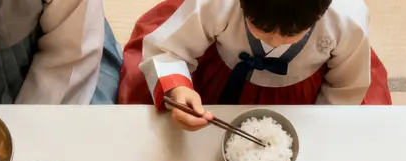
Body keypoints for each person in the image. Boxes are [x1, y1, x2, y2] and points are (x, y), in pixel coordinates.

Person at [118, 0, 391, 121]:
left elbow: (345, 87)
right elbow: (170, 50)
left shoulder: (347, 18)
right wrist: (179, 89)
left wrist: (322, 125)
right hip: (217, 77)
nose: (275, 41)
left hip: (303, 96)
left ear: (321, 13)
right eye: (260, 27)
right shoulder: (217, 3)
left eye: (291, 34)